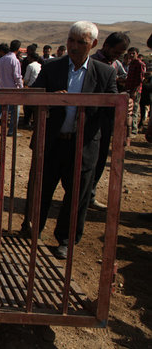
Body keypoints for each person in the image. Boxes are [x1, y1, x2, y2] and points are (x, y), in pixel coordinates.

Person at [20, 21, 117, 260]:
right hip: (52, 143)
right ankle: (32, 230)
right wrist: (50, 99)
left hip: (83, 146)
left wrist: (126, 104)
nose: (73, 46)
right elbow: (32, 99)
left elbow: (113, 109)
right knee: (41, 189)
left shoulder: (105, 73)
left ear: (92, 44)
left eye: (80, 42)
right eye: (71, 40)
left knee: (77, 196)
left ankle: (66, 240)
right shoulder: (52, 67)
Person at [87, 32, 130, 211]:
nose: (117, 55)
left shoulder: (116, 65)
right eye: (116, 51)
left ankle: (90, 195)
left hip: (106, 122)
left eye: (121, 53)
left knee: (100, 159)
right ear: (106, 45)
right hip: (90, 120)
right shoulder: (90, 63)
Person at [0, 39, 23, 136]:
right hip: (12, 90)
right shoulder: (14, 60)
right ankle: (11, 131)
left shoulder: (1, 60)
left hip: (1, 88)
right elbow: (17, 76)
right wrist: (21, 87)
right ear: (18, 49)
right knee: (15, 111)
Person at [125, 47, 146, 136]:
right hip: (129, 89)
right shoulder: (131, 64)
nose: (131, 55)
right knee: (129, 110)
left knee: (134, 110)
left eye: (133, 53)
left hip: (135, 91)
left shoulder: (139, 64)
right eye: (130, 53)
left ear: (137, 54)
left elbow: (140, 80)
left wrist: (135, 91)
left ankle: (133, 130)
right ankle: (128, 129)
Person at [21, 52, 42, 128]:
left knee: (28, 106)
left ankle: (27, 122)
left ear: (32, 58)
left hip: (31, 87)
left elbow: (26, 78)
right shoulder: (40, 66)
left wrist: (25, 84)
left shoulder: (30, 66)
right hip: (38, 88)